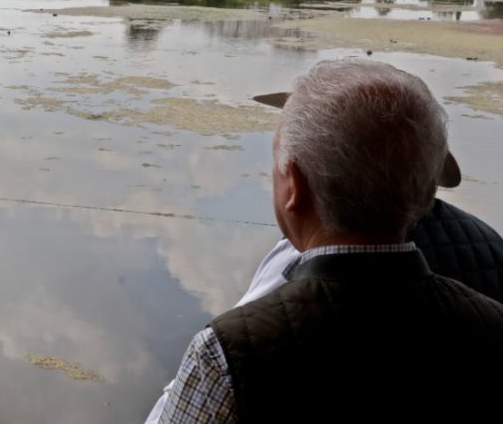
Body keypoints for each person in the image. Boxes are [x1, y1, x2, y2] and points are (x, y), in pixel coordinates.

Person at [145, 64, 503, 423]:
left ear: (295, 186)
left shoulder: (224, 355)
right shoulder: (492, 325)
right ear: (427, 188)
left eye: (277, 168)